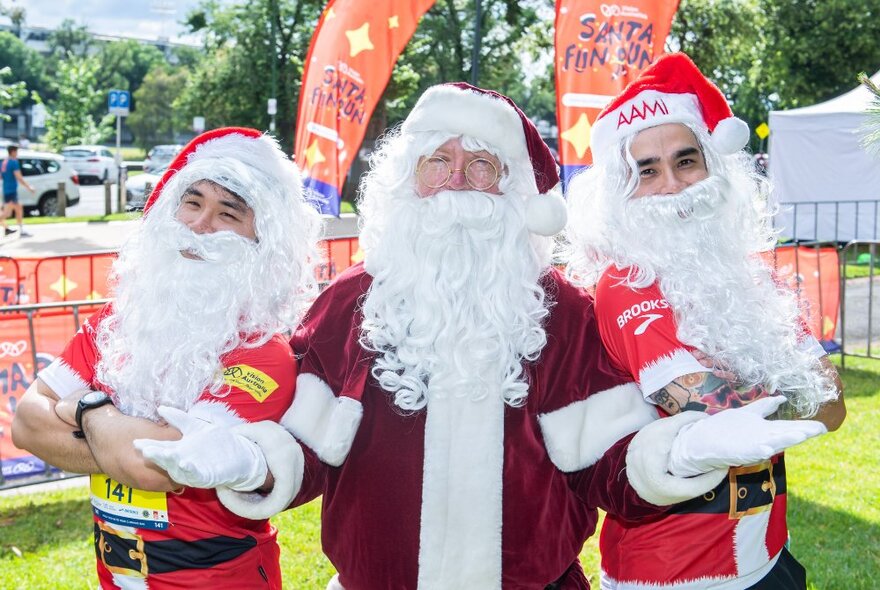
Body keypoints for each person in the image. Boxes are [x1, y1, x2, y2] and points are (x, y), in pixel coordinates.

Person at [137, 84, 827, 589]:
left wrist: (681, 453)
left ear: (514, 191)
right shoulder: (348, 305)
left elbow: (610, 470)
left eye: (483, 163)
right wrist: (247, 461)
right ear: (406, 182)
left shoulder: (567, 314)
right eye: (438, 160)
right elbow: (306, 454)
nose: (458, 179)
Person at [564, 53, 846, 589]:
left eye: (686, 161)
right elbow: (716, 415)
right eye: (646, 171)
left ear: (715, 168)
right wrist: (780, 379)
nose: (671, 184)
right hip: (673, 571)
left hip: (768, 552)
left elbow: (833, 409)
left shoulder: (751, 277)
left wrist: (769, 394)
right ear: (618, 194)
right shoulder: (625, 283)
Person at [11, 127, 322, 589]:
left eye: (228, 213)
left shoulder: (263, 355)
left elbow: (151, 466)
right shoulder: (118, 322)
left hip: (218, 580)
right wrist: (116, 441)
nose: (199, 225)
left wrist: (84, 407)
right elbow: (25, 425)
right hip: (115, 573)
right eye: (192, 202)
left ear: (263, 241)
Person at [1, 144, 35, 236]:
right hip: (11, 191)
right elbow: (19, 177)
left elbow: (1, 176)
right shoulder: (13, 162)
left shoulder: (4, 162)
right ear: (13, 152)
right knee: (7, 213)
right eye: (17, 152)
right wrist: (29, 187)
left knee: (18, 208)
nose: (17, 154)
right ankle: (20, 230)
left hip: (7, 190)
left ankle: (17, 229)